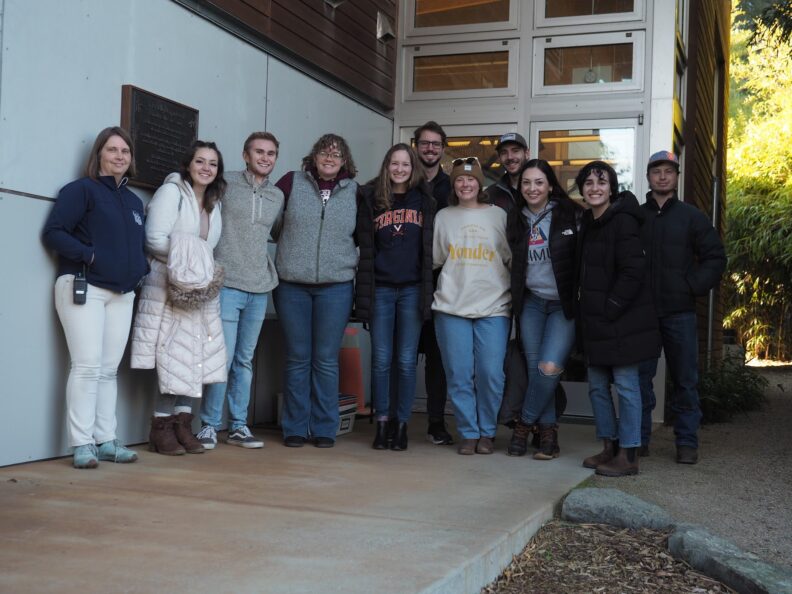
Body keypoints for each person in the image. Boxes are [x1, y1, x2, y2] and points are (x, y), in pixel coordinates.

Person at [43, 126, 148, 469]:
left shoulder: (134, 202)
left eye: (125, 151)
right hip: (83, 286)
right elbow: (54, 232)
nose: (120, 156)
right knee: (87, 367)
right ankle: (82, 444)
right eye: (113, 149)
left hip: (122, 293)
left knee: (107, 371)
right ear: (99, 154)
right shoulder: (81, 191)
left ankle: (107, 440)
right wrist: (89, 256)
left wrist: (139, 271)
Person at [131, 141, 227, 456]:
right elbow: (154, 238)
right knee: (172, 356)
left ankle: (184, 426)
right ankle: (161, 430)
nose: (206, 168)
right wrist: (193, 261)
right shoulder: (171, 192)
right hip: (167, 285)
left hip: (199, 291)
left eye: (212, 163)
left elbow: (210, 247)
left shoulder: (214, 202)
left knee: (195, 356)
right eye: (200, 161)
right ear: (188, 165)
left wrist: (199, 267)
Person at [196, 132, 285, 450]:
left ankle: (238, 426)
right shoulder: (225, 183)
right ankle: (208, 425)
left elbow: (274, 233)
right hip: (227, 285)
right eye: (259, 152)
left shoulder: (277, 196)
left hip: (260, 287)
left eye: (271, 153)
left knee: (245, 361)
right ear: (245, 155)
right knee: (222, 356)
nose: (265, 158)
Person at [638, 151, 726, 464]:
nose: (662, 176)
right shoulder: (637, 217)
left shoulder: (692, 216)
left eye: (668, 171)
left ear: (676, 177)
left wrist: (692, 286)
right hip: (644, 313)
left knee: (686, 380)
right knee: (639, 380)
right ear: (648, 176)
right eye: (657, 171)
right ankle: (639, 440)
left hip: (680, 312)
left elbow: (715, 258)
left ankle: (687, 443)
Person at [273, 134, 358, 448]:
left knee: (325, 360)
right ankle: (294, 426)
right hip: (292, 285)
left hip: (335, 287)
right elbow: (271, 223)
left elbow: (361, 236)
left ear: (345, 161)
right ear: (314, 156)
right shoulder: (291, 182)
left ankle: (324, 427)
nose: (330, 157)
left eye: (337, 154)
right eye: (325, 151)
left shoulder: (354, 192)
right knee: (297, 358)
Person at [576, 161, 660, 477]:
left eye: (601, 181)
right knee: (598, 387)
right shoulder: (588, 222)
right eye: (588, 183)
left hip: (622, 319)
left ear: (612, 187)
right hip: (596, 321)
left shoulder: (624, 221)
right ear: (582, 190)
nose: (595, 187)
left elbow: (632, 271)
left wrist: (611, 307)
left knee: (626, 386)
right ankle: (608, 447)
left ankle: (629, 453)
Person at [355, 143, 436, 451]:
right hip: (382, 290)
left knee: (405, 361)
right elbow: (360, 243)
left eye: (405, 164)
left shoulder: (425, 199)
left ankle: (402, 425)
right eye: (394, 163)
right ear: (386, 166)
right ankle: (383, 422)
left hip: (413, 289)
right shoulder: (371, 197)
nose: (400, 169)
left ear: (413, 167)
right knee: (381, 360)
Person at [432, 157, 511, 455]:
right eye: (459, 180)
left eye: (471, 179)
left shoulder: (498, 216)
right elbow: (437, 259)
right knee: (459, 373)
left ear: (481, 184)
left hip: (494, 306)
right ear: (453, 185)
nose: (466, 184)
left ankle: (487, 432)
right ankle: (468, 432)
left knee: (491, 372)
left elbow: (509, 258)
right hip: (452, 307)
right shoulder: (444, 217)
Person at [506, 159, 582, 460]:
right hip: (532, 303)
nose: (532, 188)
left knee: (549, 369)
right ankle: (548, 434)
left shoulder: (570, 214)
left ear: (550, 185)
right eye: (526, 182)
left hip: (562, 305)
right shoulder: (515, 219)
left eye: (539, 182)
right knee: (537, 368)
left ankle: (523, 425)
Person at [413, 121, 454, 446]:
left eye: (435, 144)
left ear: (443, 148)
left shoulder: (453, 187)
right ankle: (394, 418)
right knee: (400, 356)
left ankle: (436, 422)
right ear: (416, 145)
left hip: (443, 285)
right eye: (425, 143)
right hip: (404, 282)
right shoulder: (401, 180)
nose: (430, 149)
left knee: (438, 359)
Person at [485, 132, 530, 212]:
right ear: (499, 158)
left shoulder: (540, 190)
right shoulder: (490, 194)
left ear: (527, 154)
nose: (509, 157)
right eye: (504, 152)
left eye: (515, 151)